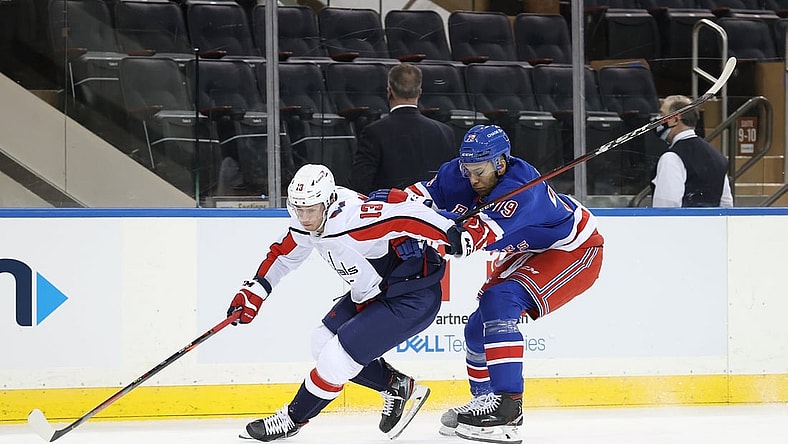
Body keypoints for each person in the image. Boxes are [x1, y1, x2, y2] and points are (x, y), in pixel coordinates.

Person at [369, 125, 604, 444]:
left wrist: (424, 234)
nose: (471, 180)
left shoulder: (520, 191)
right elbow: (419, 198)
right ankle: (485, 402)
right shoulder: (457, 173)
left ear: (501, 163)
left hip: (573, 249)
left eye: (478, 171)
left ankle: (508, 409)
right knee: (476, 329)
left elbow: (467, 240)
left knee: (501, 299)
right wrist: (389, 210)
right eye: (466, 170)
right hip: (529, 249)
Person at [226, 163, 471, 442]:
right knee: (320, 342)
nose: (305, 217)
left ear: (328, 201)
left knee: (336, 359)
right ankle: (397, 386)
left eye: (311, 209)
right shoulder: (307, 218)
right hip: (374, 290)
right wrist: (254, 292)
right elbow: (283, 256)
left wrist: (448, 231)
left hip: (411, 296)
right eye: (298, 209)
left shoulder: (353, 220)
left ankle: (291, 419)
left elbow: (405, 215)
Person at [349, 63, 456, 195]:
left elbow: (360, 184)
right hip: (432, 211)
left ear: (389, 91)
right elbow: (451, 181)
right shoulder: (445, 132)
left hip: (390, 211)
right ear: (419, 92)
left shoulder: (374, 132)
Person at [651, 95, 733, 208]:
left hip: (681, 225)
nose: (657, 120)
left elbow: (666, 207)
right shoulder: (717, 157)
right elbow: (726, 203)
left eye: (662, 115)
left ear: (675, 119)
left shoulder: (672, 158)